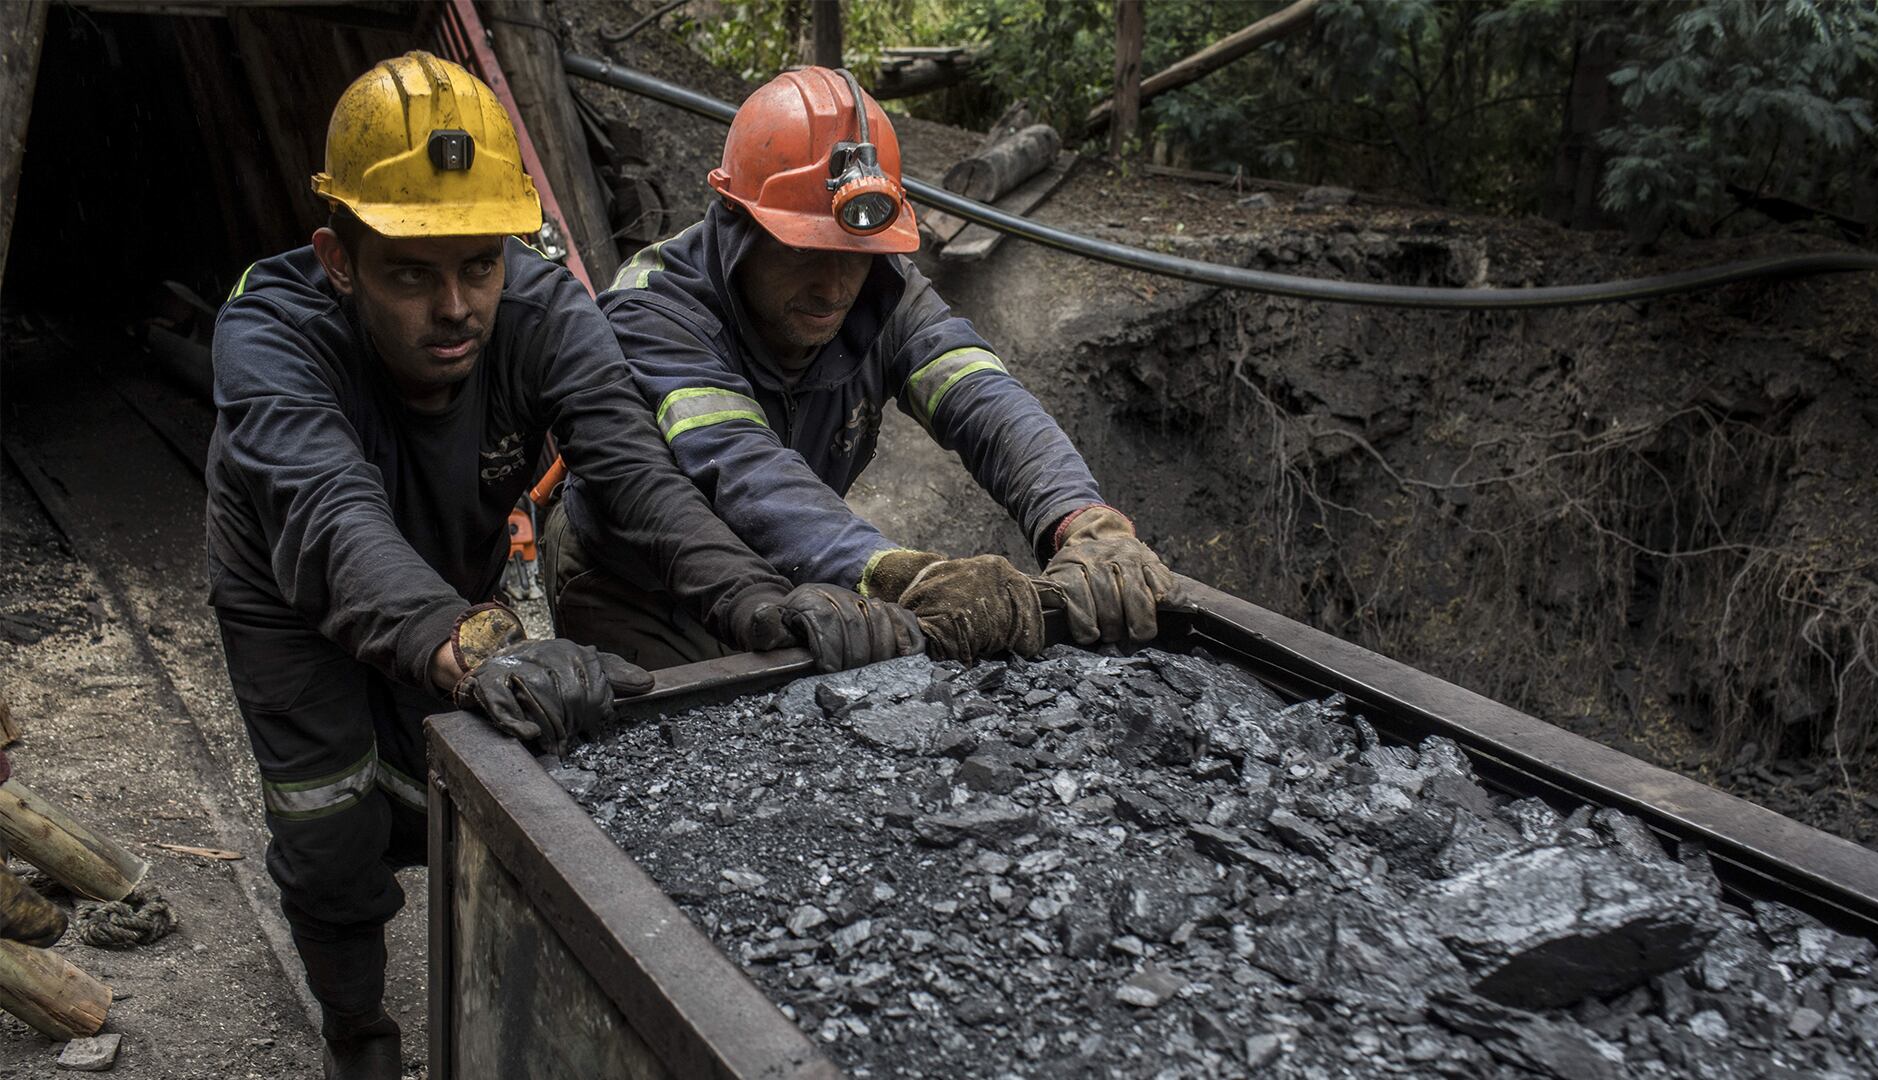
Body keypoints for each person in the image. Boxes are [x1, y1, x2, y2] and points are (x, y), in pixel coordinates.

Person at [206, 53, 917, 1080]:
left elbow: (638, 476)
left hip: (453, 564)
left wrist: (760, 601)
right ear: (338, 257)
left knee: (457, 779)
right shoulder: (270, 336)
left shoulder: (542, 315)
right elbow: (329, 515)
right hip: (289, 581)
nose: (456, 306)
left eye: (479, 265)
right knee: (328, 818)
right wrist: (470, 638)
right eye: (413, 272)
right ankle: (357, 1035)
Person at [543, 67, 1174, 668]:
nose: (835, 287)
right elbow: (740, 467)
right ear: (737, 224)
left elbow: (984, 400)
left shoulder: (882, 287)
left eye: (857, 254)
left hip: (789, 571)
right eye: (804, 252)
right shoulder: (655, 309)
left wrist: (1078, 518)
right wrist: (900, 572)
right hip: (635, 589)